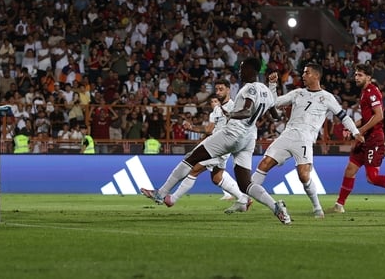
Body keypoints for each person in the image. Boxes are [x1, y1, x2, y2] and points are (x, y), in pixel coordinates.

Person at [141, 58, 288, 224]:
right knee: (244, 183)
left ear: (251, 69)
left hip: (233, 133)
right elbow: (275, 115)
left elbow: (246, 111)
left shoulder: (249, 88)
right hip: (248, 139)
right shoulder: (265, 90)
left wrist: (232, 114)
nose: (239, 71)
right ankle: (276, 207)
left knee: (192, 158)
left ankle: (161, 193)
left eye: (242, 68)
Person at [249, 64, 364, 219]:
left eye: (306, 73)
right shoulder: (298, 93)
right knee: (264, 163)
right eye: (303, 73)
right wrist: (272, 85)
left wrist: (355, 132)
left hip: (305, 138)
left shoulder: (327, 97)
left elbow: (343, 116)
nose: (303, 75)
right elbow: (274, 103)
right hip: (288, 134)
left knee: (303, 175)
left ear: (316, 76)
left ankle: (317, 208)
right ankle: (245, 199)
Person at [142, 80, 253, 214]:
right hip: (216, 144)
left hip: (222, 146)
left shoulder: (234, 108)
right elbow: (208, 129)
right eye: (216, 89)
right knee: (217, 178)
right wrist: (192, 128)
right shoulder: (217, 110)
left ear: (229, 90)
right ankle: (243, 198)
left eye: (221, 89)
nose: (218, 92)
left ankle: (168, 197)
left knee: (194, 167)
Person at [327, 63, 385, 214]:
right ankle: (339, 205)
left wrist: (360, 131)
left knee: (372, 178)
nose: (356, 77)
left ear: (368, 77)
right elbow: (365, 118)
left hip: (374, 139)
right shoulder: (364, 93)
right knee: (350, 169)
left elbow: (379, 116)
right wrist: (351, 128)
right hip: (364, 139)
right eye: (356, 74)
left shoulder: (372, 92)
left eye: (360, 75)